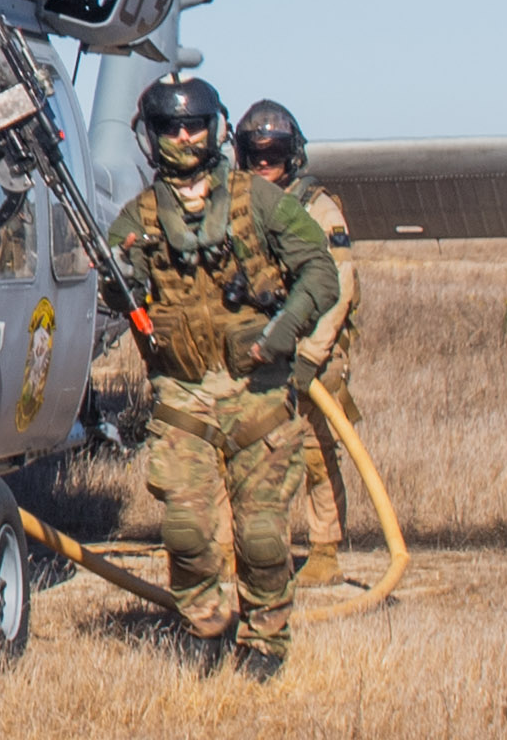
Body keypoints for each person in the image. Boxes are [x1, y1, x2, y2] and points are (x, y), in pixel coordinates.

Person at [112, 73, 327, 672]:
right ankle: (204, 628)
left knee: (262, 535)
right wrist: (118, 277)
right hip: (183, 394)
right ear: (151, 136)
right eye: (171, 127)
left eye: (194, 124)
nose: (184, 136)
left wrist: (281, 336)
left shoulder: (261, 202)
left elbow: (320, 274)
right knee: (185, 530)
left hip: (256, 395)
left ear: (215, 128)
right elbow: (117, 292)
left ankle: (265, 641)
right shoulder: (138, 218)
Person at [235, 100, 366, 587]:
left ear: (294, 155)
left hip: (315, 347)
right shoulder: (235, 206)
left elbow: (339, 286)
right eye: (255, 152)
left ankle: (325, 549)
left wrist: (310, 357)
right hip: (256, 348)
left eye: (275, 152)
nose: (264, 161)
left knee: (314, 449)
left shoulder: (317, 208)